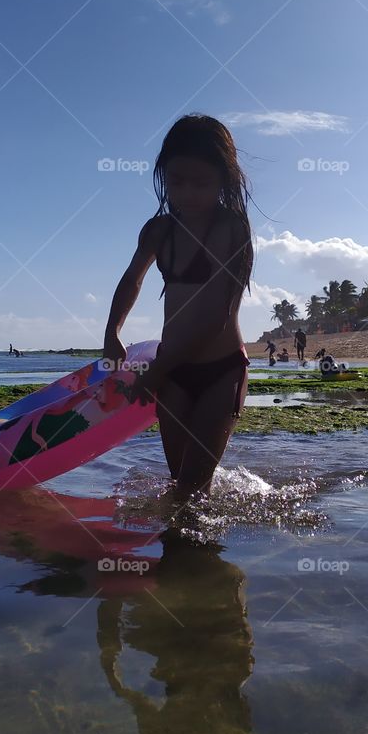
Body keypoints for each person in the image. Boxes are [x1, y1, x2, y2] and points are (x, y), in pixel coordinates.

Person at [103, 114, 254, 501]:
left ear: (225, 179)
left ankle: (199, 554)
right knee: (179, 486)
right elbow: (131, 279)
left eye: (201, 183)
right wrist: (112, 333)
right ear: (163, 177)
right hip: (172, 372)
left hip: (221, 372)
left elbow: (215, 317)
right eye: (177, 182)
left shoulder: (230, 229)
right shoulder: (159, 231)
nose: (187, 192)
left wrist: (156, 372)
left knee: (192, 487)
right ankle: (183, 557)